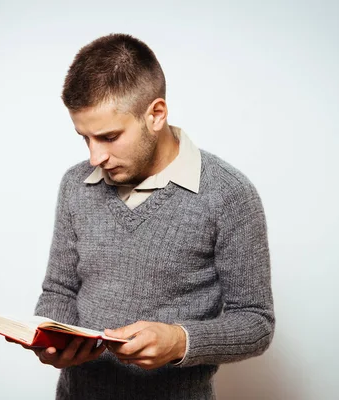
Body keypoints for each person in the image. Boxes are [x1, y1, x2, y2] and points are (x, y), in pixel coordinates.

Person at [19, 33, 274, 399]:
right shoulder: (76, 184)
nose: (95, 157)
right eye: (85, 138)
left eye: (108, 137)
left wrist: (180, 341)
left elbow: (255, 322)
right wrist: (51, 339)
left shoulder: (229, 194)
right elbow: (59, 289)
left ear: (156, 114)